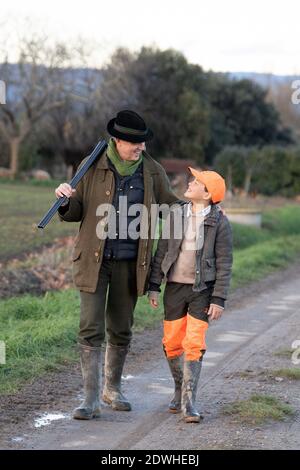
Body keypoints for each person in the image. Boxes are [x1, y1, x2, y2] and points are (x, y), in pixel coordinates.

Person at [55, 110, 180, 419]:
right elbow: (74, 212)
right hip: (93, 262)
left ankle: (113, 389)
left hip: (130, 263)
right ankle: (90, 399)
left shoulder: (152, 171)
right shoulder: (91, 165)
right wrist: (65, 199)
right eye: (133, 143)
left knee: (121, 328)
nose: (139, 148)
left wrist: (201, 210)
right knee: (90, 327)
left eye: (142, 143)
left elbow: (172, 207)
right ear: (117, 141)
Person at [148, 168, 233, 423]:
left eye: (197, 182)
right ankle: (178, 388)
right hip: (174, 288)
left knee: (194, 342)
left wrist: (218, 299)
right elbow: (161, 250)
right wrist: (154, 285)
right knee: (172, 342)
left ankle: (189, 402)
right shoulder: (176, 214)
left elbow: (225, 262)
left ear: (207, 194)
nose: (190, 183)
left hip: (201, 291)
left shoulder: (219, 222)